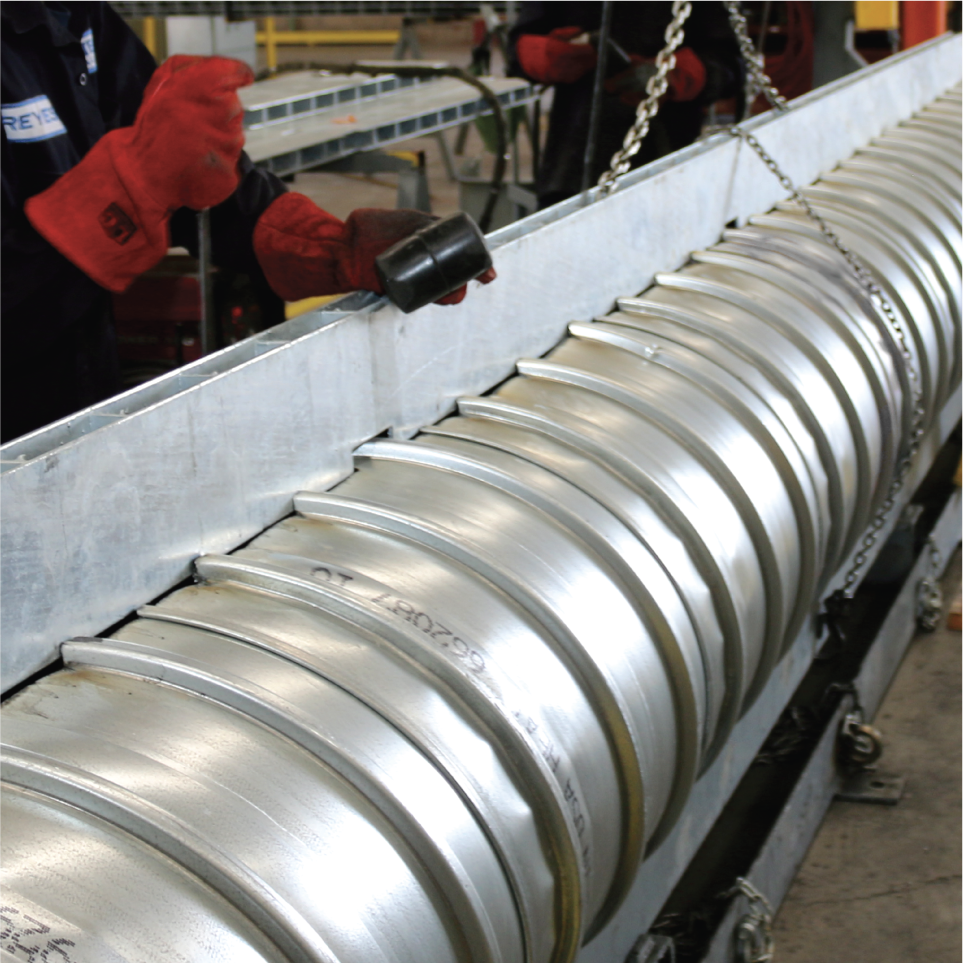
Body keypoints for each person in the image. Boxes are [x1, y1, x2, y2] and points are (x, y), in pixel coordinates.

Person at [0, 0, 494, 446]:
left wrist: (325, 245)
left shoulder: (74, 17)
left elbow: (190, 173)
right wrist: (128, 192)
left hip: (73, 405)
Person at [509, 0, 743, 208]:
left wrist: (675, 75)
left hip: (666, 160)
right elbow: (517, 51)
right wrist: (545, 54)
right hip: (571, 166)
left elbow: (732, 66)